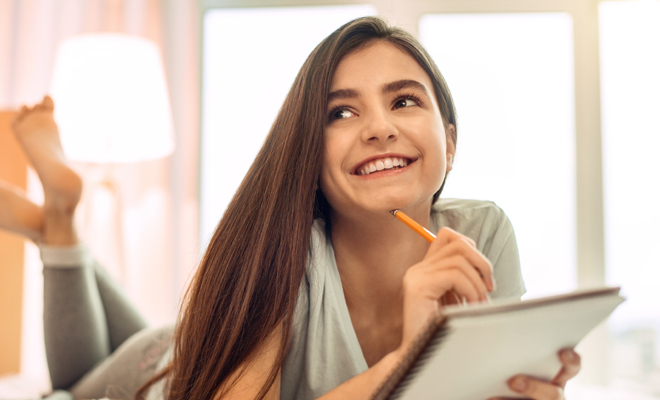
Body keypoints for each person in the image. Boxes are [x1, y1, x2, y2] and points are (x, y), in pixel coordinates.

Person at [0, 16, 581, 400]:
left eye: (404, 100)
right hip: (165, 372)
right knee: (68, 393)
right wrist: (411, 361)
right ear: (310, 157)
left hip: (192, 338)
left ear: (449, 142)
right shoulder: (284, 248)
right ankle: (59, 229)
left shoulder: (484, 232)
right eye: (341, 112)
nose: (379, 128)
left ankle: (56, 226)